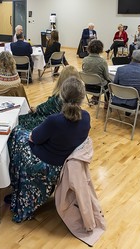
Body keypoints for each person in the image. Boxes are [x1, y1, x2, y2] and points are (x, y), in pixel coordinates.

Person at [8, 76, 91, 222]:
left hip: (45, 162)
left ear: (62, 95)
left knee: (17, 134)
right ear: (82, 97)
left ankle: (16, 186)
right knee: (21, 135)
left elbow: (34, 138)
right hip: (64, 162)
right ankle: (19, 189)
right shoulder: (86, 117)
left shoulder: (55, 120)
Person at [16, 65, 80, 130]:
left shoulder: (57, 99)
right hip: (58, 123)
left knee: (18, 120)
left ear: (61, 79)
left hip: (47, 124)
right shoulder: (76, 99)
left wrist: (35, 109)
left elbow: (43, 109)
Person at [81, 39, 111, 106]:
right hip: (99, 87)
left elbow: (85, 71)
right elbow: (106, 76)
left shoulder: (84, 60)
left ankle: (95, 98)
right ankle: (107, 102)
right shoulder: (102, 61)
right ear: (100, 49)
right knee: (109, 82)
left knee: (97, 78)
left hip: (87, 85)